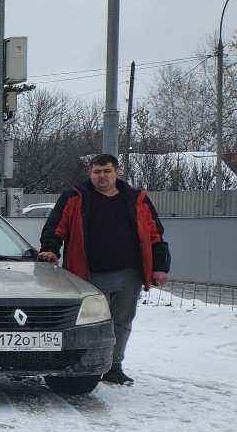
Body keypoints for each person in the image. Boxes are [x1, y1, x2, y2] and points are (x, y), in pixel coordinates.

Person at [38, 153, 170, 386]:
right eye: (97, 172)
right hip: (87, 275)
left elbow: (155, 234)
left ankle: (113, 366)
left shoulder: (136, 199)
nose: (102, 176)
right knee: (89, 322)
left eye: (106, 171)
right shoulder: (75, 197)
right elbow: (56, 226)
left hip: (129, 274)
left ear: (116, 172)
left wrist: (160, 267)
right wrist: (50, 249)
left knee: (122, 322)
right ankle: (84, 364)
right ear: (90, 173)